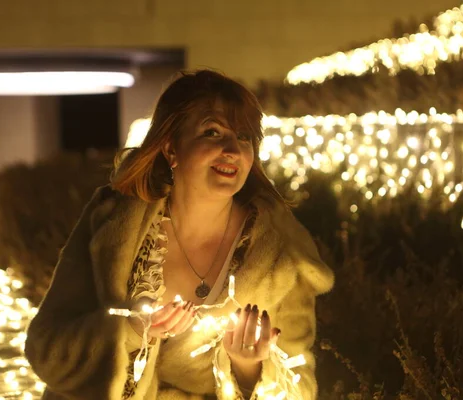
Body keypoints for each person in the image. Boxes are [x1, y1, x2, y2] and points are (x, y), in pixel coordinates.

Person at [25, 69, 334, 399]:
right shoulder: (114, 224)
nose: (232, 149)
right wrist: (129, 332)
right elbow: (46, 348)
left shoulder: (280, 255)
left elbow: (300, 386)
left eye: (244, 137)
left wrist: (248, 369)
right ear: (171, 148)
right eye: (212, 132)